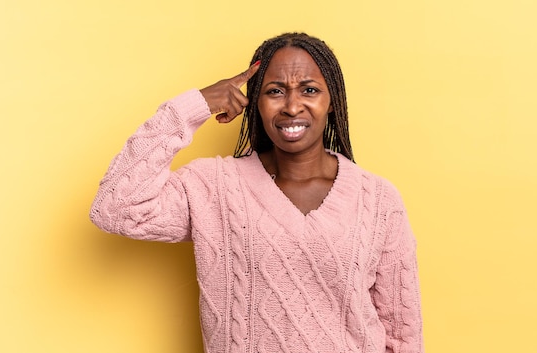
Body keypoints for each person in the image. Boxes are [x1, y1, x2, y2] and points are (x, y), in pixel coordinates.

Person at [90, 32, 423, 353]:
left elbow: (401, 332)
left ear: (332, 101)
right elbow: (116, 208)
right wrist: (193, 107)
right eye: (275, 91)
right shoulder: (215, 187)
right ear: (255, 102)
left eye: (309, 90)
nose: (292, 107)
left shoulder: (378, 199)